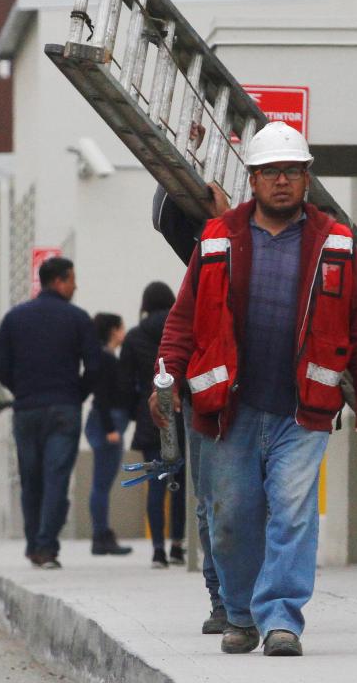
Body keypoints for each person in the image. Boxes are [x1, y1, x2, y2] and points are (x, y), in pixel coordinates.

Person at [157, 121, 357, 657]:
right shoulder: (216, 239)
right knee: (230, 517)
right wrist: (165, 377)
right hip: (226, 409)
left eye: (292, 172)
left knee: (293, 512)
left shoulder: (337, 243)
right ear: (253, 180)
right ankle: (239, 612)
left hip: (301, 410)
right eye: (270, 172)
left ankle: (282, 619)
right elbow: (183, 318)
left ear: (306, 179)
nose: (281, 181)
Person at [152, 180, 232, 634]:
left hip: (254, 397)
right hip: (207, 400)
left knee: (256, 504)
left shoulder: (255, 247)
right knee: (211, 505)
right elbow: (163, 210)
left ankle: (246, 600)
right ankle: (224, 600)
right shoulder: (203, 264)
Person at [0, 256, 101, 569]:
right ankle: (46, 547)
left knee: (31, 478)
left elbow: (0, 367)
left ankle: (32, 544)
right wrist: (76, 395)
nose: (75, 285)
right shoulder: (78, 319)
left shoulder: (14, 318)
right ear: (59, 281)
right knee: (56, 477)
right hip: (64, 408)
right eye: (72, 279)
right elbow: (94, 366)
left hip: (26, 409)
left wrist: (21, 390)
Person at [121, 283, 187, 569]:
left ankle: (158, 550)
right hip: (180, 412)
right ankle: (177, 546)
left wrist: (134, 412)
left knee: (156, 485)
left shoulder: (134, 337)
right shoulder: (178, 329)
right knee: (181, 485)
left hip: (150, 417)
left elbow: (124, 383)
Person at [86, 313, 133, 556]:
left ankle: (102, 534)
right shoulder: (105, 359)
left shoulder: (106, 357)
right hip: (108, 423)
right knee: (101, 483)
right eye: (122, 327)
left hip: (109, 422)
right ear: (114, 330)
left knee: (102, 482)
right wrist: (110, 429)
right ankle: (101, 535)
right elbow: (102, 395)